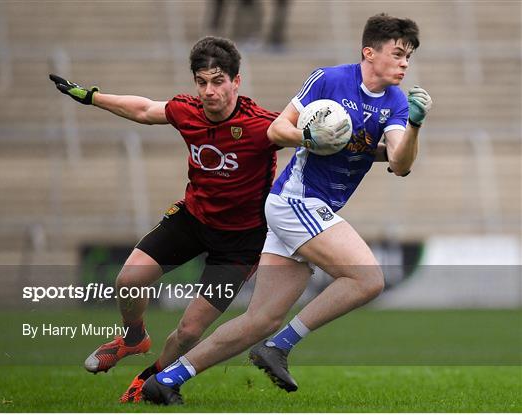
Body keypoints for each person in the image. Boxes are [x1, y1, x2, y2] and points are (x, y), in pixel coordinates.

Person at [139, 13, 433, 405]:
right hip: (295, 201)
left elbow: (401, 164)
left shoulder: (396, 102)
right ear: (369, 52)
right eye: (398, 54)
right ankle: (278, 348)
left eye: (408, 57)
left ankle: (167, 380)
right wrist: (312, 138)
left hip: (308, 211)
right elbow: (277, 130)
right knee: (368, 279)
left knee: (259, 320)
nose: (404, 63)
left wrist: (413, 125)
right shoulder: (330, 79)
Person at [49, 36, 287, 403]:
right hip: (192, 218)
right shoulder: (185, 110)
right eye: (202, 81)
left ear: (236, 81)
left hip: (240, 243)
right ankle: (132, 338)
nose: (209, 91)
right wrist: (90, 96)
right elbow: (145, 110)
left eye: (218, 81)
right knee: (128, 280)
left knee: (190, 332)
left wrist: (379, 148)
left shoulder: (263, 126)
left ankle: (153, 379)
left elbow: (309, 136)